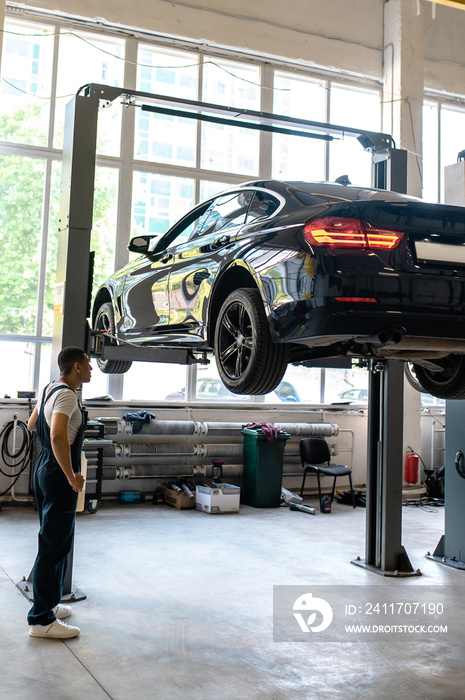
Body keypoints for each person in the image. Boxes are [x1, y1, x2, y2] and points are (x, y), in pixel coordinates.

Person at [27, 346, 92, 639]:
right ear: (76, 367)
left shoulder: (50, 388)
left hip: (43, 469)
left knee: (56, 541)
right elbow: (55, 435)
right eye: (88, 364)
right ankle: (41, 620)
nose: (91, 369)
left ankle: (50, 604)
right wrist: (71, 477)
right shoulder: (66, 394)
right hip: (57, 475)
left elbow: (33, 424)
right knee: (53, 547)